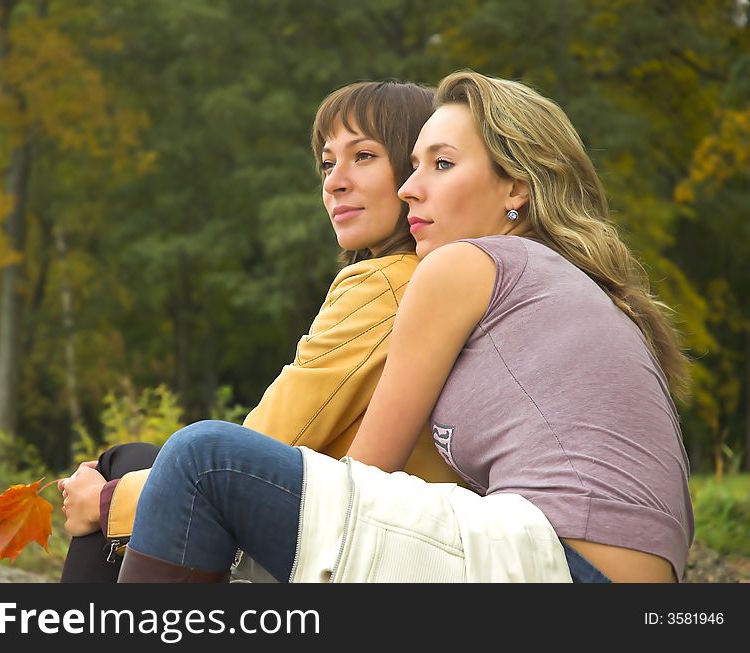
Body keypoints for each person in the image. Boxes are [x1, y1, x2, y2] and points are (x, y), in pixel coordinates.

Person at [117, 69, 694, 584]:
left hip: (558, 567)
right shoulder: (567, 286)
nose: (409, 188)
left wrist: (125, 505)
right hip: (591, 569)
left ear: (517, 186)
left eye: (441, 165)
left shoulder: (465, 265)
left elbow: (361, 485)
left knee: (205, 460)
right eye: (413, 165)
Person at [57, 80, 465, 582]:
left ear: (413, 171)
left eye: (363, 156)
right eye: (327, 163)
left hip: (369, 550)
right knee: (135, 459)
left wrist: (106, 503)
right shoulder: (434, 278)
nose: (335, 181)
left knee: (123, 476)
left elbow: (260, 442)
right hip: (390, 528)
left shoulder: (390, 284)